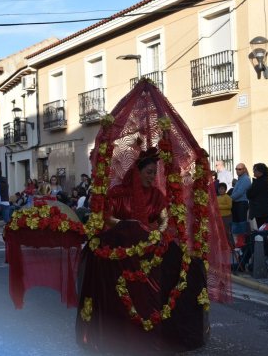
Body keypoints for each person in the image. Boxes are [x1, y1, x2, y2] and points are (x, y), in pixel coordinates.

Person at [75, 80, 230, 354]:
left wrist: (157, 231)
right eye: (148, 172)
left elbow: (163, 220)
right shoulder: (119, 193)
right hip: (122, 249)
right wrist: (129, 226)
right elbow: (107, 219)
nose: (151, 176)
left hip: (152, 248)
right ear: (137, 172)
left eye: (153, 172)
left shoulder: (158, 196)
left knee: (186, 268)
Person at [247, 163, 268, 227]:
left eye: (255, 170)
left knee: (263, 228)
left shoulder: (260, 182)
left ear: (260, 172)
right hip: (263, 211)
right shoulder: (265, 181)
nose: (253, 171)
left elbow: (250, 194)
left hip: (261, 211)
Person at [230, 163, 251, 246]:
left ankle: (241, 242)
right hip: (236, 203)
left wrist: (229, 199)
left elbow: (239, 192)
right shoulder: (240, 179)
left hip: (241, 203)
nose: (237, 171)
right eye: (236, 169)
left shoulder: (245, 179)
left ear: (244, 169)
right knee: (236, 222)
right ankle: (237, 242)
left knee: (241, 223)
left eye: (240, 169)